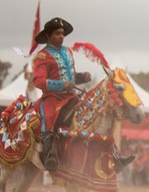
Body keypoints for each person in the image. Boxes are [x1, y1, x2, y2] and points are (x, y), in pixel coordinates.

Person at [31, 17, 132, 173]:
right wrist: (60, 85)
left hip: (71, 96)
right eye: (57, 33)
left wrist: (81, 77)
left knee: (94, 112)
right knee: (50, 117)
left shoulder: (67, 51)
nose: (61, 36)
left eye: (63, 34)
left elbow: (69, 77)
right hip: (52, 98)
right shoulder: (42, 56)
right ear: (48, 35)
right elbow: (38, 80)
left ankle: (115, 156)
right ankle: (51, 155)